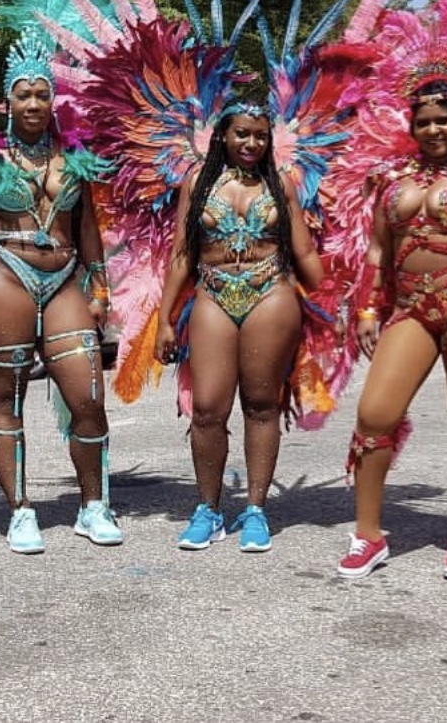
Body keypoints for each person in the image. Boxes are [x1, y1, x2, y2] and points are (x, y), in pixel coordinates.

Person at [337, 78, 447, 581]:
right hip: (412, 309)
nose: (433, 129)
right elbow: (378, 250)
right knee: (375, 415)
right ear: (412, 126)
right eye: (423, 121)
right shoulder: (392, 176)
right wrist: (368, 311)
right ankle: (368, 535)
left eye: (442, 119)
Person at [0, 43, 121, 554]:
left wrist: (101, 284)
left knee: (88, 397)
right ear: (8, 103)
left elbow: (87, 228)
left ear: (53, 102)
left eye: (41, 95)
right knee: (7, 399)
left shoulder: (75, 161)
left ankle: (94, 505)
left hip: (66, 275)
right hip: (5, 274)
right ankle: (21, 510)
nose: (32, 104)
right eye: (23, 95)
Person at [154, 95, 324, 552]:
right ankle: (208, 510)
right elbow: (182, 254)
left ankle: (255, 510)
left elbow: (303, 251)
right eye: (242, 133)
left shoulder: (282, 183)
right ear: (223, 136)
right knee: (208, 408)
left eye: (260, 135)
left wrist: (336, 306)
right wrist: (165, 320)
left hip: (271, 294)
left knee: (262, 403)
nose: (251, 142)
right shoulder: (198, 181)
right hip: (212, 293)